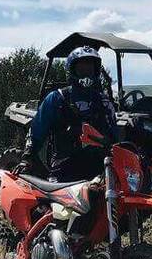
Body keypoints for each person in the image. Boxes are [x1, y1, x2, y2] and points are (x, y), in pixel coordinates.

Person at [18, 46, 118, 181]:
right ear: (71, 70)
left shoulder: (103, 101)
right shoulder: (56, 99)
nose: (86, 74)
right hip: (63, 169)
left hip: (99, 168)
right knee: (50, 200)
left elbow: (114, 137)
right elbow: (36, 132)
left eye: (90, 69)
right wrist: (27, 158)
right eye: (82, 69)